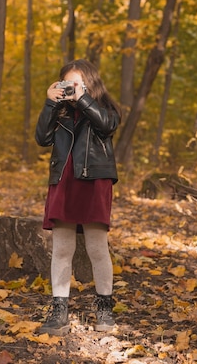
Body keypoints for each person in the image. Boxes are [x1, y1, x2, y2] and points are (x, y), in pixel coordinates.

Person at [35, 59, 121, 336]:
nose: (70, 89)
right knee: (61, 249)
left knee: (97, 248)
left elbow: (106, 126)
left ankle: (104, 310)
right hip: (64, 181)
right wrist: (51, 103)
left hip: (94, 180)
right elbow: (42, 138)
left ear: (89, 83)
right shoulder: (59, 111)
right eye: (66, 83)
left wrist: (82, 98)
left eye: (76, 83)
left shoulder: (105, 108)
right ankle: (59, 311)